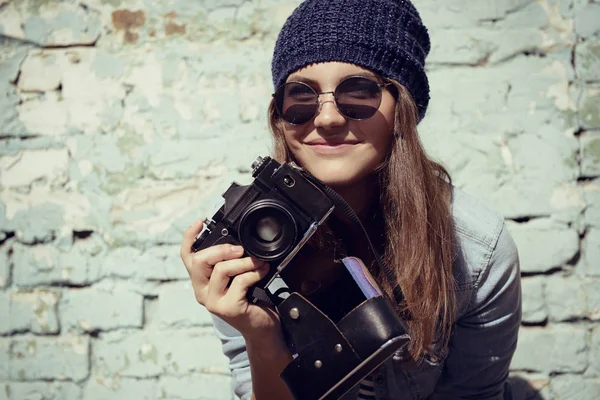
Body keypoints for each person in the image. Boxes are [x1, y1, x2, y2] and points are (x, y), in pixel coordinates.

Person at [180, 0, 522, 399]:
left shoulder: (476, 250)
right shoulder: (242, 244)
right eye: (302, 97)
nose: (326, 119)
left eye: (358, 92)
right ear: (279, 115)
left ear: (403, 109)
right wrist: (260, 337)